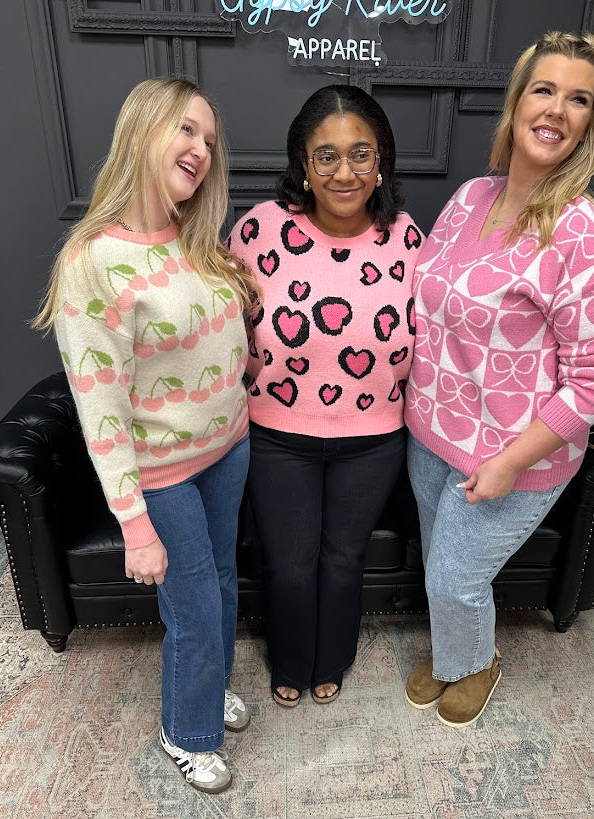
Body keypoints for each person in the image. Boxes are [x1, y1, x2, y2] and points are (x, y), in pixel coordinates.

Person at [404, 31, 594, 727]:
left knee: (457, 578)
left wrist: (509, 461)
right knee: (439, 570)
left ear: (589, 124)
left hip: (515, 453)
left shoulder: (581, 232)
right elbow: (428, 303)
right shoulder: (471, 197)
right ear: (516, 104)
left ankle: (476, 663)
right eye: (544, 90)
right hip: (432, 433)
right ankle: (456, 653)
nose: (557, 109)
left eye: (578, 100)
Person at [34, 78, 260, 792]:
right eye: (185, 129)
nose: (201, 149)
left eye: (209, 140)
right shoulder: (92, 262)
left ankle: (207, 688)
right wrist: (134, 526)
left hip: (229, 448)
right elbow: (100, 408)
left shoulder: (196, 240)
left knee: (221, 585)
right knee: (193, 607)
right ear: (140, 131)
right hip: (163, 474)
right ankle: (186, 732)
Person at [228, 85, 423, 707]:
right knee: (288, 562)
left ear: (381, 161)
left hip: (374, 439)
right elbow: (223, 328)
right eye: (327, 156)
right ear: (303, 165)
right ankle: (289, 660)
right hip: (276, 434)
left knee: (343, 558)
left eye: (361, 154)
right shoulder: (259, 231)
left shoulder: (406, 238)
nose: (345, 172)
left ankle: (333, 657)